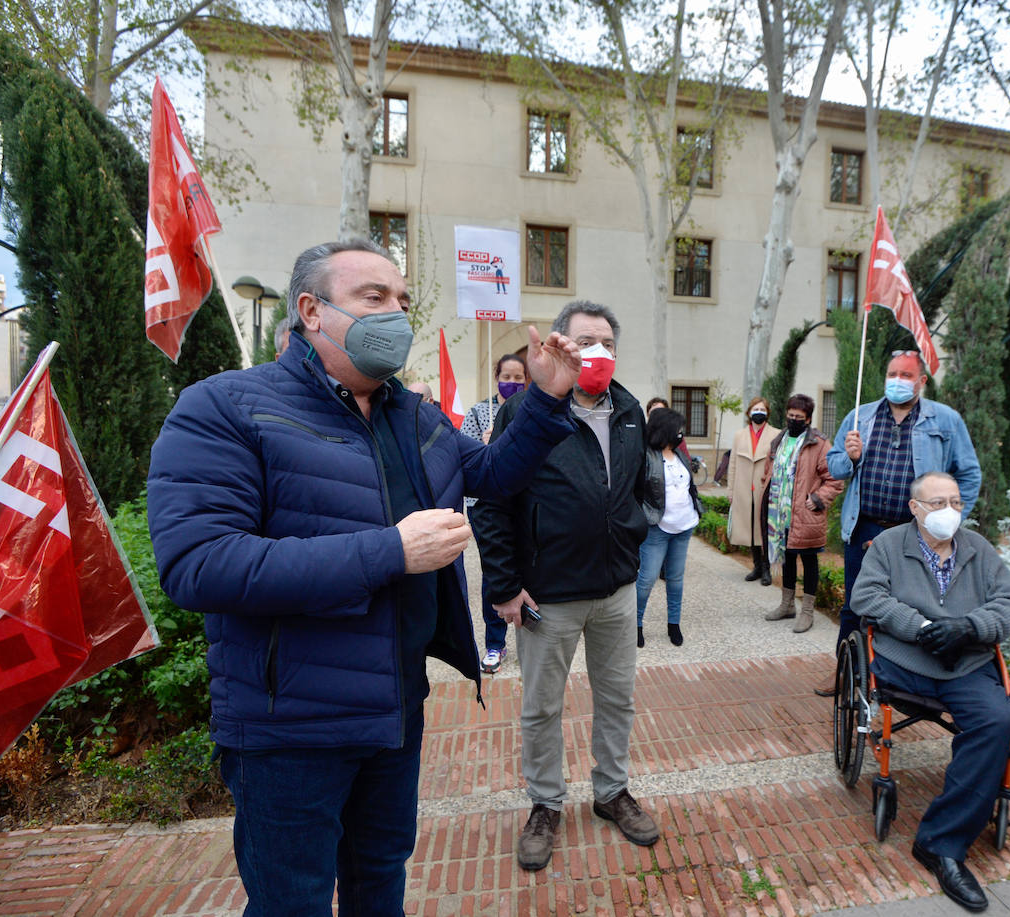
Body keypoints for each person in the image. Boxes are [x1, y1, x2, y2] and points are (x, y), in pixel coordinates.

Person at [146, 239, 582, 915]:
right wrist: (389, 551)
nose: (397, 315)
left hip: (393, 716)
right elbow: (199, 563)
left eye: (403, 300)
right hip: (289, 728)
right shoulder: (226, 407)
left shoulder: (413, 414)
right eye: (374, 298)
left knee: (381, 882)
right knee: (292, 900)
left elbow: (492, 474)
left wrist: (549, 402)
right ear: (311, 311)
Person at [470, 300, 659, 872]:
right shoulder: (525, 413)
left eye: (604, 340)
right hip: (547, 597)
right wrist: (503, 586)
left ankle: (611, 792)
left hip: (615, 593)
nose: (593, 351)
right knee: (541, 707)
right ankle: (546, 804)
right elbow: (492, 501)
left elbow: (637, 488)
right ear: (557, 345)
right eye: (583, 340)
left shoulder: (628, 409)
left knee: (617, 700)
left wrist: (631, 538)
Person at [853, 471, 1010, 913]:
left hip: (967, 662)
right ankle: (946, 842)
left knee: (996, 721)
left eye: (954, 502)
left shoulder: (978, 549)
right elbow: (867, 597)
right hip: (906, 662)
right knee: (986, 716)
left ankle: (941, 845)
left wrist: (970, 627)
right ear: (915, 508)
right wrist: (923, 628)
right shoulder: (890, 546)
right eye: (936, 503)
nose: (947, 511)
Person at [821, 351, 981, 696]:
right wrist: (849, 458)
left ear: (922, 381)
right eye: (892, 373)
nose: (897, 380)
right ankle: (845, 672)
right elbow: (833, 468)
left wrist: (951, 519)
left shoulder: (945, 420)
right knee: (854, 603)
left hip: (914, 533)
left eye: (906, 375)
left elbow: (969, 474)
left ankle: (897, 677)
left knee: (909, 605)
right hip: (864, 527)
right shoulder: (859, 418)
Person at [459, 353, 529, 674]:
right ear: (496, 376)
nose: (512, 383)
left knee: (525, 568)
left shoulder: (529, 411)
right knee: (495, 572)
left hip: (521, 503)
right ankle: (495, 644)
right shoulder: (478, 413)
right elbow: (465, 461)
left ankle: (530, 636)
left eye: (519, 378)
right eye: (507, 377)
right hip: (485, 505)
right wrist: (488, 448)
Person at [761, 394, 843, 633]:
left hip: (806, 514)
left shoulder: (818, 443)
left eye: (799, 417)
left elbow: (834, 479)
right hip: (780, 515)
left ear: (808, 419)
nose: (793, 420)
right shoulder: (779, 440)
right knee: (786, 559)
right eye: (790, 415)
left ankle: (807, 611)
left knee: (808, 561)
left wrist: (818, 499)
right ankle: (787, 605)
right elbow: (768, 471)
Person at [635, 407, 702, 648]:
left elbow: (689, 487)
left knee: (675, 579)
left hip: (684, 526)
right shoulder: (645, 455)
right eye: (677, 430)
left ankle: (673, 624)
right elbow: (636, 492)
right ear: (665, 430)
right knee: (646, 580)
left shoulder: (680, 454)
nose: (681, 434)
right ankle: (636, 624)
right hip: (657, 529)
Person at [728, 397, 781, 584]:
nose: (759, 412)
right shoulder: (739, 435)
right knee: (749, 529)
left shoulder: (776, 434)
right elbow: (732, 463)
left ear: (767, 413)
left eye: (762, 409)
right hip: (743, 489)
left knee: (763, 529)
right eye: (755, 409)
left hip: (764, 489)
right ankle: (756, 565)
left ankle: (766, 567)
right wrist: (730, 490)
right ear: (749, 412)